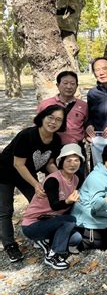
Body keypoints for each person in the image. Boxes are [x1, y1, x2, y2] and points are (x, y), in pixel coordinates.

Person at [0, 105, 65, 262]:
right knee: (5, 210)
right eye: (50, 117)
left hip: (27, 173)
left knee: (39, 204)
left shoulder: (56, 140)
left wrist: (60, 177)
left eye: (58, 119)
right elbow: (18, 164)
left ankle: (39, 235)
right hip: (5, 172)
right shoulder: (27, 135)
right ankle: (10, 245)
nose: (53, 122)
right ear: (42, 117)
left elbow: (49, 162)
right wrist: (36, 184)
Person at [21, 144, 84, 270]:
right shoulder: (53, 180)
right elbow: (55, 206)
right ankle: (52, 255)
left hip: (51, 221)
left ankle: (43, 240)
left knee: (76, 238)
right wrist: (68, 201)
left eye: (76, 160)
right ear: (61, 162)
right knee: (70, 220)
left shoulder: (76, 178)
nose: (73, 164)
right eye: (69, 160)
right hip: (33, 224)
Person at [71, 143, 107, 250]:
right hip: (88, 222)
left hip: (99, 216)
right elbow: (96, 205)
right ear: (105, 158)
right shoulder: (97, 177)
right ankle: (83, 241)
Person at [37, 71, 88, 181]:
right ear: (58, 85)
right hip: (53, 149)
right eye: (65, 83)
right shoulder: (46, 104)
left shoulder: (83, 106)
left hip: (76, 149)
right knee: (55, 182)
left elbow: (86, 125)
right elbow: (38, 127)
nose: (69, 87)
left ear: (77, 86)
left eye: (72, 83)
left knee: (77, 181)